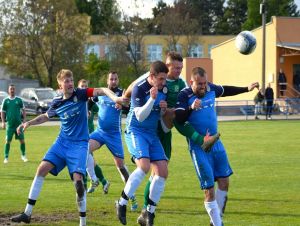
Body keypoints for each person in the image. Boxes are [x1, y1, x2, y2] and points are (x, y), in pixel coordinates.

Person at [10, 69, 126, 225]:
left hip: (79, 145)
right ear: (60, 84)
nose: (70, 83)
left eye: (71, 80)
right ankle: (27, 213)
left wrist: (116, 97)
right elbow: (46, 116)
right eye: (66, 81)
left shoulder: (81, 94)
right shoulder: (57, 101)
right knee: (41, 169)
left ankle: (82, 222)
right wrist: (28, 123)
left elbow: (103, 90)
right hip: (62, 143)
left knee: (78, 183)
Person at [123, 52, 219, 225]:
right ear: (166, 67)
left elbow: (183, 105)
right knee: (151, 170)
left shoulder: (180, 84)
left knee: (160, 172)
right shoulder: (153, 78)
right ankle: (142, 208)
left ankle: (147, 211)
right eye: (175, 68)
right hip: (148, 130)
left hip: (164, 131)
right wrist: (125, 96)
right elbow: (133, 85)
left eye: (181, 68)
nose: (178, 71)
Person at [175, 67, 259, 226]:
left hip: (216, 143)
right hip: (199, 146)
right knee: (209, 189)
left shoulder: (210, 88)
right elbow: (178, 119)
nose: (203, 87)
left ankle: (216, 220)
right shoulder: (184, 95)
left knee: (225, 182)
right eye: (199, 84)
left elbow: (226, 90)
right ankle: (218, 223)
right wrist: (191, 108)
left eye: (204, 83)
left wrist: (246, 89)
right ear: (191, 81)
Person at [116, 61, 169, 226]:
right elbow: (140, 116)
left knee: (163, 171)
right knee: (144, 166)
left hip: (151, 134)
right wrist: (152, 100)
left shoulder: (163, 90)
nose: (163, 83)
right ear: (152, 77)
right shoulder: (140, 88)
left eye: (164, 79)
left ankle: (149, 213)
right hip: (135, 131)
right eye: (160, 79)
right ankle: (122, 203)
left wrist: (163, 109)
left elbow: (157, 116)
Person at [87, 71, 138, 210]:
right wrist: (87, 110)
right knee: (83, 149)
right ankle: (94, 179)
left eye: (116, 79)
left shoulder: (123, 93)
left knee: (121, 167)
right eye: (111, 79)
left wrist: (124, 106)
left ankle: (131, 196)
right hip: (100, 132)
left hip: (114, 135)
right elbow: (90, 101)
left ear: (118, 80)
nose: (114, 81)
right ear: (107, 80)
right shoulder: (102, 92)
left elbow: (131, 108)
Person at [77, 79, 109, 194]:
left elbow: (102, 111)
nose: (84, 88)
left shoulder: (91, 103)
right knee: (88, 161)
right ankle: (102, 181)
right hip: (79, 136)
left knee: (83, 160)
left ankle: (87, 185)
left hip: (89, 136)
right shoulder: (77, 102)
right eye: (82, 86)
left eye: (86, 86)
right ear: (78, 87)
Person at [1, 84, 27, 164]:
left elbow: (23, 110)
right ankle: (6, 157)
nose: (12, 90)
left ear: (15, 90)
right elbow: (2, 112)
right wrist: (3, 122)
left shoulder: (19, 100)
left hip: (18, 125)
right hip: (10, 125)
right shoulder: (5, 101)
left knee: (22, 141)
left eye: (13, 89)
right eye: (11, 89)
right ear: (8, 90)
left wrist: (24, 120)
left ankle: (23, 156)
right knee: (7, 141)